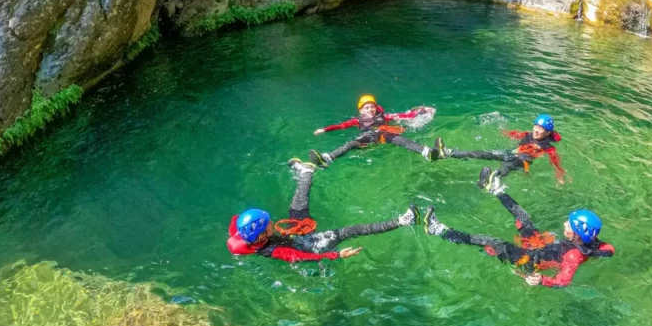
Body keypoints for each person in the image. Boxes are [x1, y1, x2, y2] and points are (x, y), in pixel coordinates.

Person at [423, 169, 613, 287]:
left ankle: (438, 230)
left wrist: (542, 280)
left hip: (530, 259)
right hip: (542, 246)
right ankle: (494, 188)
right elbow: (608, 249)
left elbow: (564, 280)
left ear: (577, 233)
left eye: (569, 224)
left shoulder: (574, 256)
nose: (564, 223)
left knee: (494, 242)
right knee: (524, 219)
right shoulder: (591, 242)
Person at [228, 160, 418, 262]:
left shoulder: (244, 235)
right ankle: (403, 221)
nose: (271, 222)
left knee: (297, 208)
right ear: (261, 236)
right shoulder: (276, 251)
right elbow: (301, 256)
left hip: (295, 235)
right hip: (310, 245)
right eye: (268, 224)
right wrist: (335, 255)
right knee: (348, 231)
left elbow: (236, 220)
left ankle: (306, 172)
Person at [310, 94, 439, 167]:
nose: (370, 110)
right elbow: (341, 126)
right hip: (368, 140)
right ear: (361, 110)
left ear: (376, 108)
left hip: (384, 136)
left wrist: (420, 111)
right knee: (351, 144)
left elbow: (403, 116)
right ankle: (327, 158)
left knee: (401, 140)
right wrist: (325, 129)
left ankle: (426, 152)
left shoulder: (385, 117)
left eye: (372, 107)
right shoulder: (356, 121)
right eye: (366, 108)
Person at [435, 114, 566, 185]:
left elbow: (555, 160)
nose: (536, 130)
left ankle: (491, 182)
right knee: (484, 154)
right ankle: (448, 152)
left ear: (548, 133)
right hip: (510, 153)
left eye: (541, 128)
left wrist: (559, 174)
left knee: (504, 169)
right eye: (536, 126)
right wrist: (502, 129)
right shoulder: (528, 134)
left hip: (521, 161)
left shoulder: (548, 147)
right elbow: (514, 134)